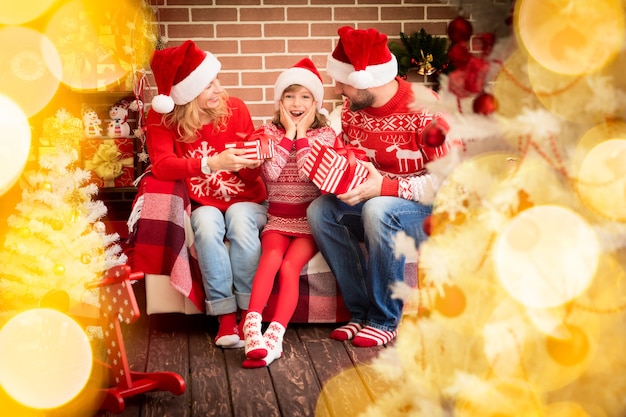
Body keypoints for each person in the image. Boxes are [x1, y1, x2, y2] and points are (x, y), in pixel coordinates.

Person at [307, 26, 455, 347]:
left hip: (434, 209)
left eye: (342, 81)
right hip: (382, 200)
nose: (337, 87)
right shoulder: (352, 110)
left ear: (364, 80)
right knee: (321, 211)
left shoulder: (425, 107)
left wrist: (384, 187)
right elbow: (351, 158)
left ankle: (385, 319)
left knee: (378, 208)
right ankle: (360, 312)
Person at [147, 40, 268, 348]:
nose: (219, 90)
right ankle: (225, 318)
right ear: (187, 95)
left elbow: (251, 175)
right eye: (208, 85)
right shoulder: (162, 119)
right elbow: (162, 166)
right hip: (204, 202)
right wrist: (210, 163)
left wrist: (252, 163)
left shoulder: (236, 108)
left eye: (217, 81)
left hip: (248, 199)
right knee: (207, 224)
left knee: (240, 221)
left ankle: (248, 314)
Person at [241, 58, 336, 368]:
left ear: (316, 103)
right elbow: (270, 172)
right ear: (279, 101)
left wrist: (303, 134)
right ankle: (252, 327)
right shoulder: (266, 132)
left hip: (310, 221)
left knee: (289, 267)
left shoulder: (325, 137)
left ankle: (276, 336)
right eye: (290, 96)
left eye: (305, 96)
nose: (297, 103)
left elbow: (313, 174)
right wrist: (287, 136)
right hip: (278, 218)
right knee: (270, 259)